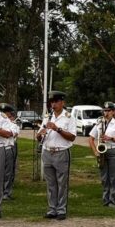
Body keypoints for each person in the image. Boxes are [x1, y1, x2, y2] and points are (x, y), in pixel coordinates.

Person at [37, 91, 77, 220]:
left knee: (62, 182)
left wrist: (57, 129)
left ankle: (61, 209)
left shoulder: (69, 117)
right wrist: (40, 134)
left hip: (61, 152)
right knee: (51, 183)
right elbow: (39, 136)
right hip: (47, 151)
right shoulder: (48, 117)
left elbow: (72, 137)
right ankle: (52, 208)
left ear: (62, 103)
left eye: (56, 102)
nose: (53, 105)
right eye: (52, 102)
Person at [88, 101, 115, 207]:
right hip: (102, 152)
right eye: (104, 111)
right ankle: (105, 200)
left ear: (113, 111)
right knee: (104, 177)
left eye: (108, 111)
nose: (106, 113)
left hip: (114, 150)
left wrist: (111, 138)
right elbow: (90, 139)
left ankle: (112, 201)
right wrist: (95, 152)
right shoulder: (99, 122)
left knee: (114, 177)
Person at [0, 104, 21, 201]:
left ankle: (6, 192)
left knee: (8, 172)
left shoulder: (13, 125)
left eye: (6, 113)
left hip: (8, 148)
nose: (4, 114)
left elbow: (11, 134)